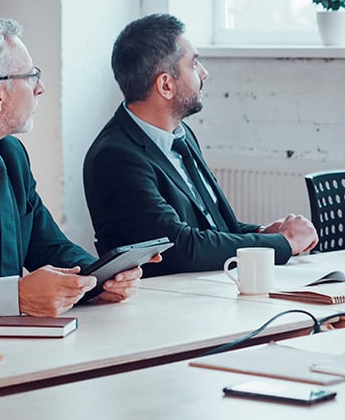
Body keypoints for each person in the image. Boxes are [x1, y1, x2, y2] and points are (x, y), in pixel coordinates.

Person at [0, 16, 147, 320]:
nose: (41, 88)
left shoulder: (11, 155)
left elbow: (49, 245)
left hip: (9, 339)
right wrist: (15, 296)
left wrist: (99, 280)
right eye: (31, 76)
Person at [84, 14, 318, 276]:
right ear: (165, 85)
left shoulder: (180, 135)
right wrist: (283, 243)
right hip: (168, 303)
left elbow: (213, 231)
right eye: (194, 64)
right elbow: (181, 247)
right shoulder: (116, 157)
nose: (204, 72)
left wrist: (263, 233)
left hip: (209, 289)